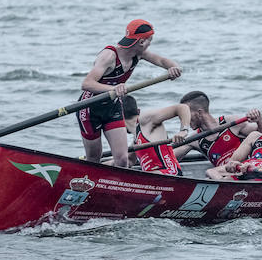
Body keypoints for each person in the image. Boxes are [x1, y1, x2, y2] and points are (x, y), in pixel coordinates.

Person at [77, 19, 183, 167]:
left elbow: (162, 60)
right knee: (94, 157)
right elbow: (87, 84)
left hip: (112, 107)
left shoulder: (139, 54)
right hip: (89, 109)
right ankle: (84, 185)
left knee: (122, 159)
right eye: (149, 40)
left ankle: (116, 187)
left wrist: (173, 68)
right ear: (140, 42)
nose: (150, 44)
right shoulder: (109, 56)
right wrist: (112, 89)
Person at [172, 91, 262, 170]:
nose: (183, 119)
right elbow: (169, 159)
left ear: (199, 113)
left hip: (248, 169)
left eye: (186, 114)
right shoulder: (194, 139)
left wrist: (259, 120)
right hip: (225, 177)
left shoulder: (231, 123)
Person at [121, 96, 191, 175]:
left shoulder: (144, 120)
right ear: (138, 110)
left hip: (170, 175)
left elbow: (182, 107)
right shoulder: (136, 139)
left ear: (120, 116)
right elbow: (129, 160)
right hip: (154, 179)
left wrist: (183, 131)